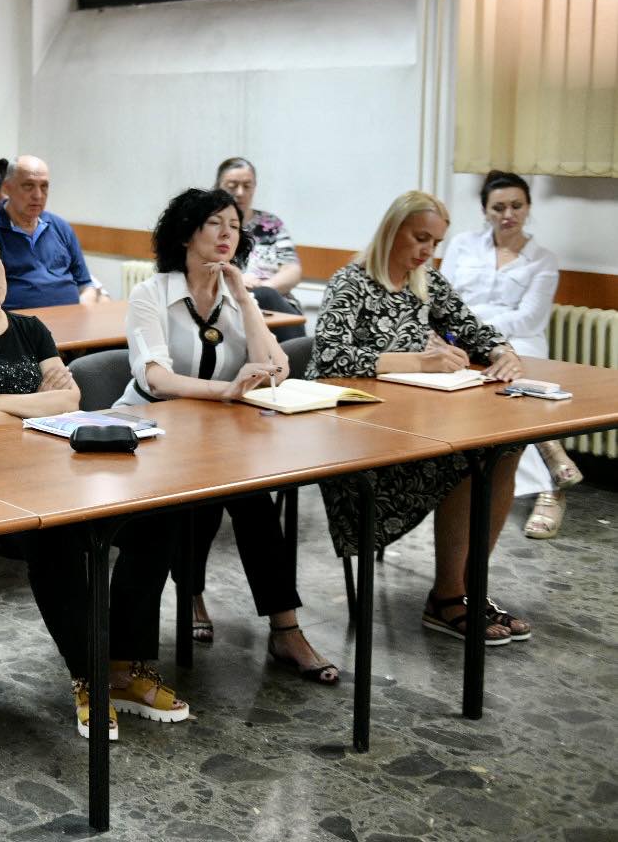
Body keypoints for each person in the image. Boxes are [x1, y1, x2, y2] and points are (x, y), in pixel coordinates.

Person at [0, 227, 187, 738]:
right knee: (57, 534)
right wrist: (20, 405)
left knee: (159, 515)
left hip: (58, 468)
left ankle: (125, 667)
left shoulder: (30, 328)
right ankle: (90, 675)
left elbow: (69, 401)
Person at [118, 189, 338, 683]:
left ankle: (286, 628)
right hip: (154, 430)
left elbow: (276, 367)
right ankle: (190, 594)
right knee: (191, 498)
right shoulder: (150, 294)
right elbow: (157, 378)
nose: (226, 235)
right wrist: (227, 391)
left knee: (254, 498)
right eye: (214, 224)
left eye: (234, 227)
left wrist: (243, 298)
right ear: (185, 232)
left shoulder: (240, 296)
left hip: (218, 432)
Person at [308, 190, 530, 646]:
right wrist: (416, 361)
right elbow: (328, 357)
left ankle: (468, 590)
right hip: (360, 438)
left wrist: (502, 352)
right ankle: (446, 598)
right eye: (421, 237)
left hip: (415, 423)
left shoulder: (424, 281)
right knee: (465, 461)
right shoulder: (352, 282)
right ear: (393, 229)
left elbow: (473, 328)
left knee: (506, 447)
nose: (428, 250)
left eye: (436, 242)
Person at [443, 170, 579, 539]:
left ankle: (547, 492)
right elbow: (447, 301)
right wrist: (475, 335)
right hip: (466, 341)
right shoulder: (462, 245)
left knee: (510, 382)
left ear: (528, 208)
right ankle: (551, 464)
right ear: (484, 210)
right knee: (507, 392)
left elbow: (528, 317)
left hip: (523, 342)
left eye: (516, 206)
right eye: (498, 207)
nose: (508, 214)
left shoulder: (543, 259)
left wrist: (479, 329)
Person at [0, 155, 100, 309]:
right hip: (17, 327)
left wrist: (80, 314)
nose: (38, 195)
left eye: (44, 186)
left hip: (70, 324)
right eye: (28, 186)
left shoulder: (61, 227)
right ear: (7, 188)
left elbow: (86, 285)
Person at [214, 157, 305, 340]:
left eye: (247, 186)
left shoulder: (270, 224)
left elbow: (292, 270)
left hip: (273, 301)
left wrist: (265, 289)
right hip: (228, 301)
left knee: (265, 297)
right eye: (232, 186)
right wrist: (237, 282)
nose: (240, 193)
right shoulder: (208, 225)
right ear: (218, 187)